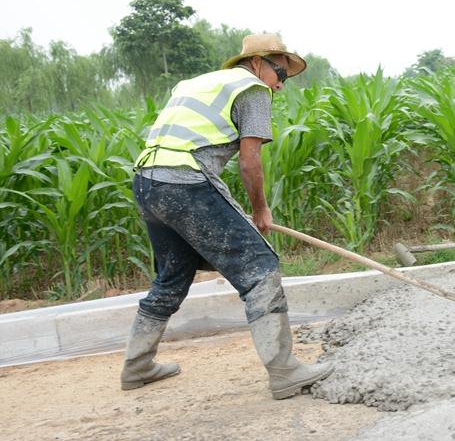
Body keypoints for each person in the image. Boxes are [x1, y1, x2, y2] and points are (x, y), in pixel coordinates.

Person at [120, 33, 333, 399]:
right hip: (183, 181)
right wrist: (259, 210)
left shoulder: (199, 83)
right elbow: (250, 162)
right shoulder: (252, 90)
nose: (281, 84)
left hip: (147, 181)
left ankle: (137, 365)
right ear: (257, 63)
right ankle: (284, 372)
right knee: (259, 265)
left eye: (286, 77)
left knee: (173, 273)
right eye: (280, 71)